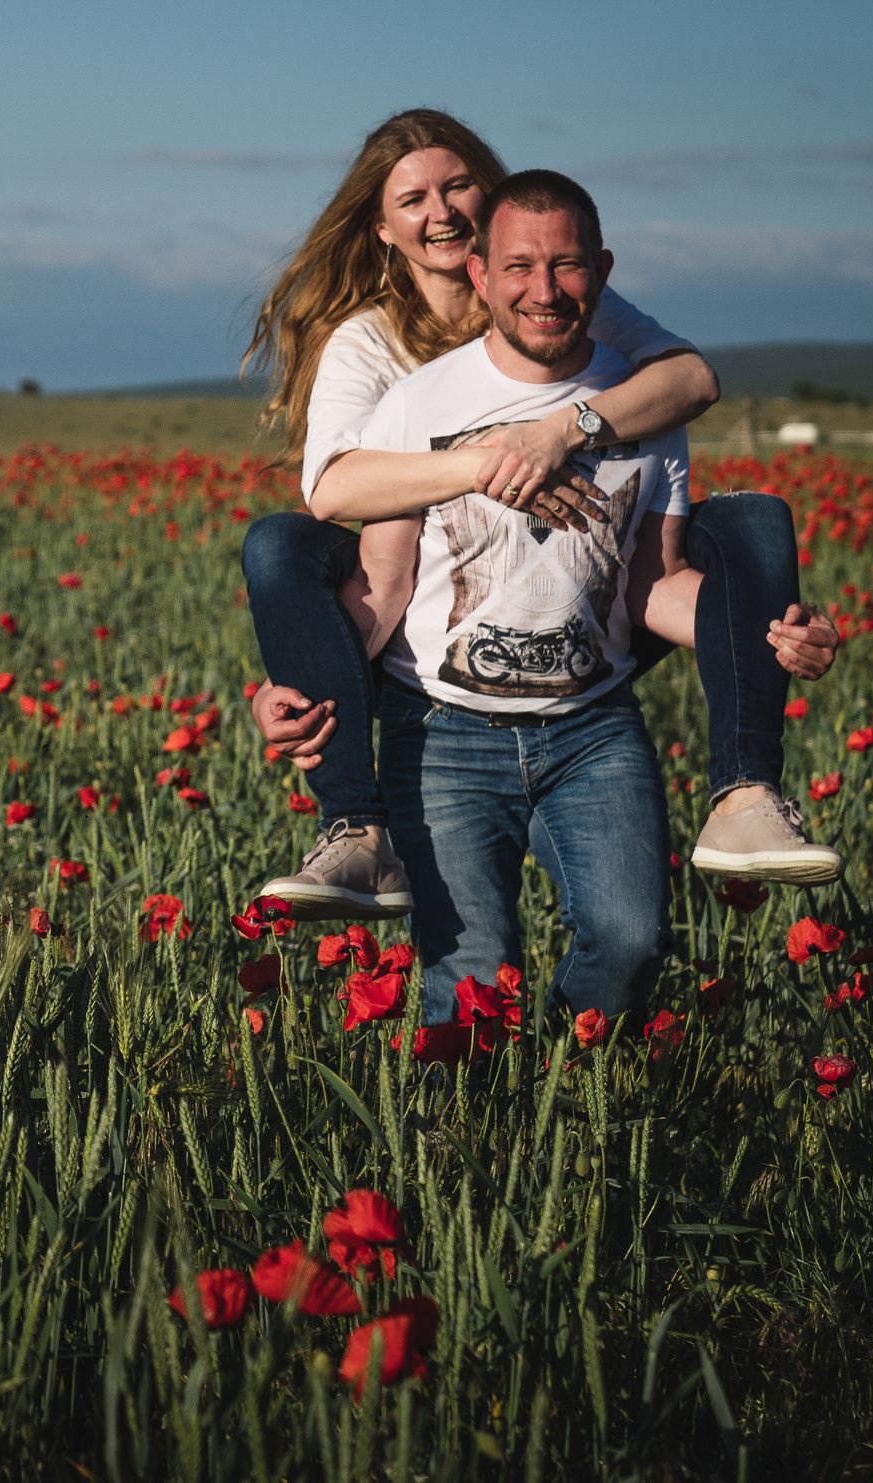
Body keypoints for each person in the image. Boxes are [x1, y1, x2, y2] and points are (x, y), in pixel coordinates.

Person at [238, 109, 839, 916]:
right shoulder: (373, 347)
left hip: (584, 585)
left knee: (752, 523)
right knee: (280, 543)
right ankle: (353, 828)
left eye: (457, 186)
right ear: (383, 228)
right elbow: (335, 491)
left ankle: (747, 795)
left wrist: (563, 433)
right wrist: (493, 465)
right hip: (432, 603)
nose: (441, 212)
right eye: (413, 200)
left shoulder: (553, 297)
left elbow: (691, 381)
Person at [351, 171, 838, 1020]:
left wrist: (766, 636)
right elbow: (383, 584)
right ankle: (484, 1105)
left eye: (567, 265)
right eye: (519, 267)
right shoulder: (416, 404)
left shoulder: (639, 406)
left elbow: (653, 583)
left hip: (592, 729)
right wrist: (308, 683)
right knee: (466, 978)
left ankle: (564, 1078)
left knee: (632, 941)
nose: (544, 291)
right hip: (442, 730)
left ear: (602, 271)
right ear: (480, 274)